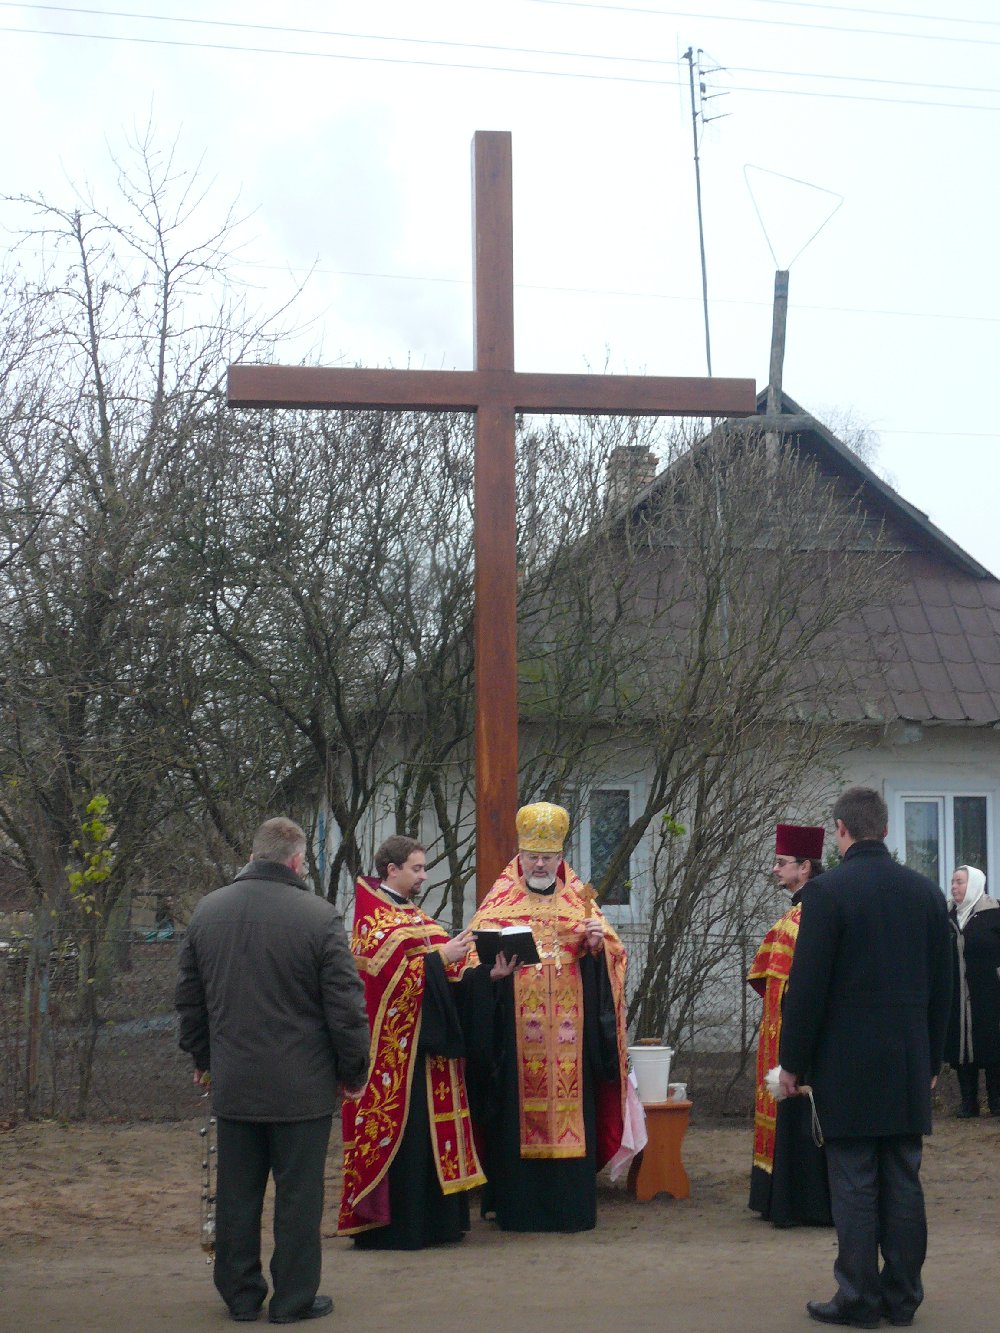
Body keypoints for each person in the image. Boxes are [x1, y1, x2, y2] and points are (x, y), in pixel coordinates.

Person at [175, 817, 370, 1325]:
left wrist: (203, 1059)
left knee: (236, 1195)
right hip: (302, 1087)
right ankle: (292, 1299)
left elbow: (190, 1000)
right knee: (299, 1198)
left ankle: (240, 1296)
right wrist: (354, 1070)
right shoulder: (320, 917)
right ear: (297, 861)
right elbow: (345, 1008)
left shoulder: (208, 912)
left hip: (235, 1081)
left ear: (253, 855)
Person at [778, 787, 951, 1330]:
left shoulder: (827, 893)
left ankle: (858, 1297)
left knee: (853, 1179)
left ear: (840, 830)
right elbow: (944, 987)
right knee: (903, 1178)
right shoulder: (926, 894)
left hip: (846, 1063)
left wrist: (792, 1062)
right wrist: (933, 1061)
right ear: (886, 829)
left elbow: (807, 988)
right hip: (907, 1061)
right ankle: (903, 1298)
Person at [464, 800, 629, 1232]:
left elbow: (615, 957)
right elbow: (470, 962)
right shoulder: (499, 902)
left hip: (571, 1043)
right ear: (520, 855)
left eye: (549, 857)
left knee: (573, 1110)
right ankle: (519, 1209)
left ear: (560, 857)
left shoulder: (581, 902)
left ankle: (570, 1209)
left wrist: (597, 948)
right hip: (517, 1039)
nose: (540, 864)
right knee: (515, 1114)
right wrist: (493, 973)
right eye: (533, 856)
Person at [338, 835, 488, 1248]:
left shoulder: (414, 915)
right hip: (395, 1055)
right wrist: (441, 959)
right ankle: (397, 1226)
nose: (424, 876)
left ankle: (438, 1223)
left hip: (429, 1052)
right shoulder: (373, 921)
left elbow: (442, 972)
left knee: (429, 1137)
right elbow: (384, 981)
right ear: (392, 870)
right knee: (405, 1137)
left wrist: (483, 974)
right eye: (417, 868)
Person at [747, 822, 832, 1228]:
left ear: (805, 867)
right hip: (782, 1029)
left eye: (782, 862)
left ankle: (798, 1203)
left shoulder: (812, 914)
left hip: (803, 1036)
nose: (775, 869)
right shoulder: (797, 912)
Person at [944, 864, 1000, 1117]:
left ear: (974, 884)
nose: (954, 887)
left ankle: (996, 1100)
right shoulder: (946, 915)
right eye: (953, 882)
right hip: (956, 992)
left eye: (960, 882)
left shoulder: (994, 912)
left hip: (989, 991)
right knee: (961, 1047)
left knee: (992, 1043)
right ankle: (968, 1102)